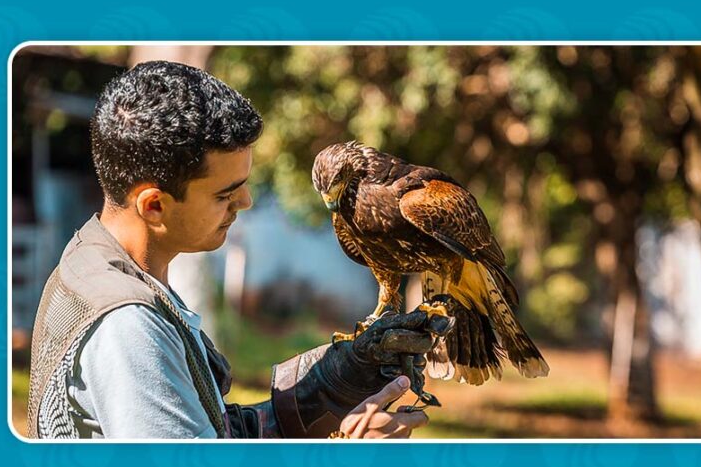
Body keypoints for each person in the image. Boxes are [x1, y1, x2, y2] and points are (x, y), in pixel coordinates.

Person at [26, 60, 442, 439]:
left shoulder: (100, 261)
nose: (245, 203)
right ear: (154, 205)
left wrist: (333, 384)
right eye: (225, 194)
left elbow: (214, 433)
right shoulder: (127, 329)